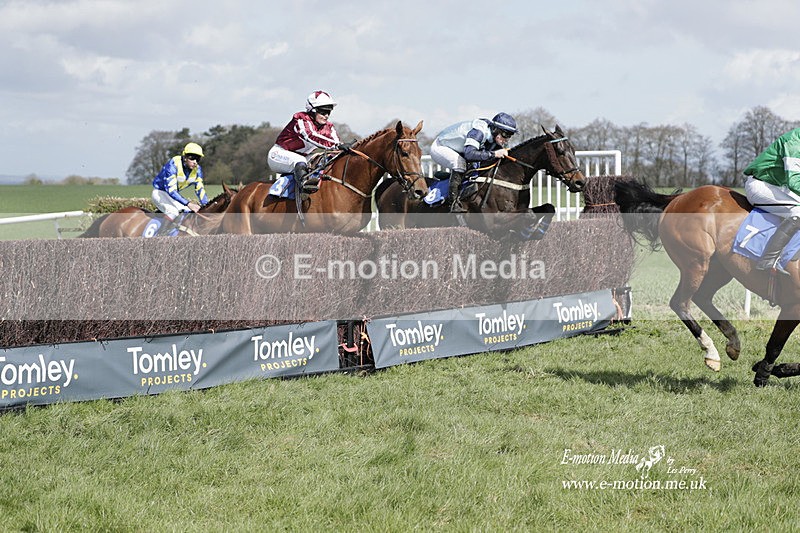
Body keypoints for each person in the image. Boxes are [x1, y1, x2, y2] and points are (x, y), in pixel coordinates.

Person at [429, 112, 517, 212]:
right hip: (440, 147)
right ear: (495, 129)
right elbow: (469, 154)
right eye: (505, 134)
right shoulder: (478, 132)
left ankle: (449, 180)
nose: (506, 139)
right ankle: (453, 204)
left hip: (458, 148)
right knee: (460, 164)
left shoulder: (493, 137)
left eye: (510, 136)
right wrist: (494, 154)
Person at [743, 127, 800, 274]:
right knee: (798, 211)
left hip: (779, 187)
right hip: (761, 186)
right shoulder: (793, 143)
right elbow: (794, 181)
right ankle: (769, 260)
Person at [268, 90, 341, 194]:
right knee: (299, 160)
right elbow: (310, 135)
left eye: (328, 112)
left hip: (304, 157)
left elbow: (337, 143)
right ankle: (305, 188)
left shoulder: (328, 126)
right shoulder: (301, 119)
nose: (326, 115)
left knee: (324, 158)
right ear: (313, 110)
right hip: (278, 155)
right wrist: (337, 145)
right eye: (323, 112)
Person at [151, 142, 209, 235]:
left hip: (172, 197)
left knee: (188, 212)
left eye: (198, 159)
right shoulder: (173, 164)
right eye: (192, 158)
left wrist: (207, 206)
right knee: (173, 212)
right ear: (185, 157)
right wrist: (189, 203)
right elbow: (172, 191)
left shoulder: (197, 170)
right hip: (160, 193)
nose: (195, 162)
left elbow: (200, 190)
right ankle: (159, 238)